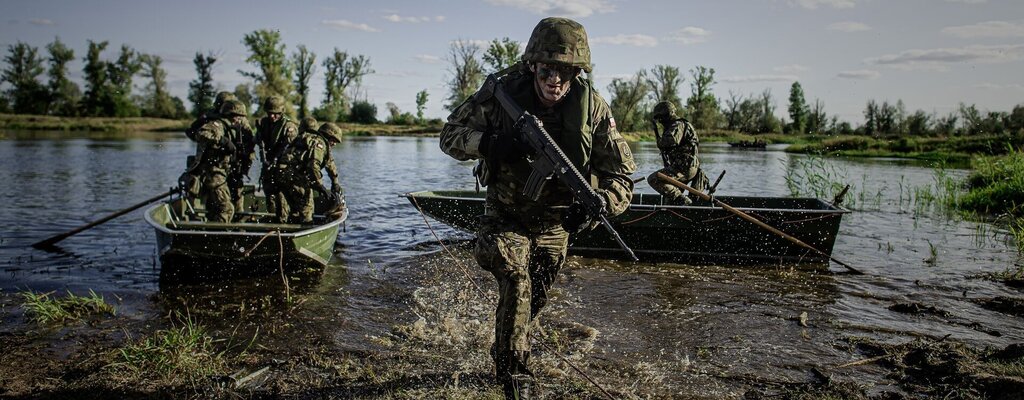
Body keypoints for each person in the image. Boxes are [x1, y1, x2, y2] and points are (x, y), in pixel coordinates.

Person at [439, 17, 636, 399]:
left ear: (577, 72)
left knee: (532, 301)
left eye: (566, 71)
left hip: (555, 226)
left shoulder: (592, 109)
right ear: (532, 65)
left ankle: (508, 345)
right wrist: (491, 144)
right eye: (548, 70)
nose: (555, 81)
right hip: (504, 216)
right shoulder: (501, 96)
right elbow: (449, 136)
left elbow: (623, 180)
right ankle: (513, 374)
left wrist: (599, 205)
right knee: (517, 277)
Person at [189, 99, 250, 223]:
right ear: (231, 115)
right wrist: (222, 140)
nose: (240, 120)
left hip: (224, 173)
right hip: (213, 174)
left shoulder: (233, 127)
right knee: (226, 209)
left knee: (220, 207)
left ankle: (216, 229)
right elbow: (201, 134)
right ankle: (219, 237)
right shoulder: (218, 125)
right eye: (239, 117)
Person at [276, 122, 345, 223]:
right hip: (295, 177)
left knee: (290, 207)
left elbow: (330, 164)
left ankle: (288, 226)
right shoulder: (319, 143)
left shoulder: (306, 137)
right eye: (334, 140)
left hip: (281, 175)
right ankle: (306, 228)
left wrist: (335, 182)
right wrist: (320, 186)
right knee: (307, 207)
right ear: (328, 135)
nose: (334, 144)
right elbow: (313, 166)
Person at [646, 101, 709, 205]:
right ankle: (679, 208)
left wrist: (657, 134)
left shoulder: (678, 125)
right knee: (669, 200)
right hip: (684, 167)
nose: (660, 121)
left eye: (660, 118)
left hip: (684, 168)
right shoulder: (677, 125)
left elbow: (668, 142)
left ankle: (683, 200)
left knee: (654, 179)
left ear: (667, 115)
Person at [255, 95, 299, 222]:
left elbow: (288, 145)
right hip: (268, 164)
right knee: (269, 194)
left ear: (281, 112)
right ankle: (273, 218)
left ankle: (283, 221)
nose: (272, 117)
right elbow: (257, 140)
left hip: (283, 166)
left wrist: (276, 158)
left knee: (281, 196)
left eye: (275, 114)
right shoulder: (263, 123)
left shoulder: (289, 126)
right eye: (269, 113)